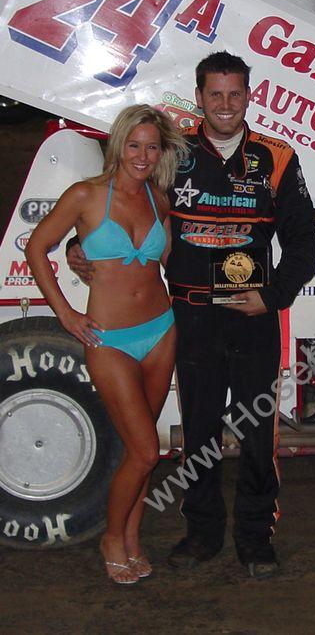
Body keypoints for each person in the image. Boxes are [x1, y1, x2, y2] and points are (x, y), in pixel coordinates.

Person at [68, 51, 315, 579]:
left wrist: (273, 297)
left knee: (257, 433)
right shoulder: (172, 151)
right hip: (190, 316)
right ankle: (202, 532)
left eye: (235, 94)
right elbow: (124, 199)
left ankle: (255, 538)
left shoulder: (277, 157)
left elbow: (302, 240)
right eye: (215, 94)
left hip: (253, 316)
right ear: (199, 96)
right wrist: (81, 244)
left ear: (249, 95)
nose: (225, 104)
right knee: (198, 431)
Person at [27, 105, 186, 584]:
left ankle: (132, 540)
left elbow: (168, 262)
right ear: (118, 144)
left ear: (161, 153)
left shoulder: (160, 200)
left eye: (152, 146)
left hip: (161, 331)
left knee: (136, 452)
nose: (142, 155)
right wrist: (67, 314)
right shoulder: (85, 195)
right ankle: (111, 538)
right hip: (109, 339)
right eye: (134, 145)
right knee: (144, 452)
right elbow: (37, 248)